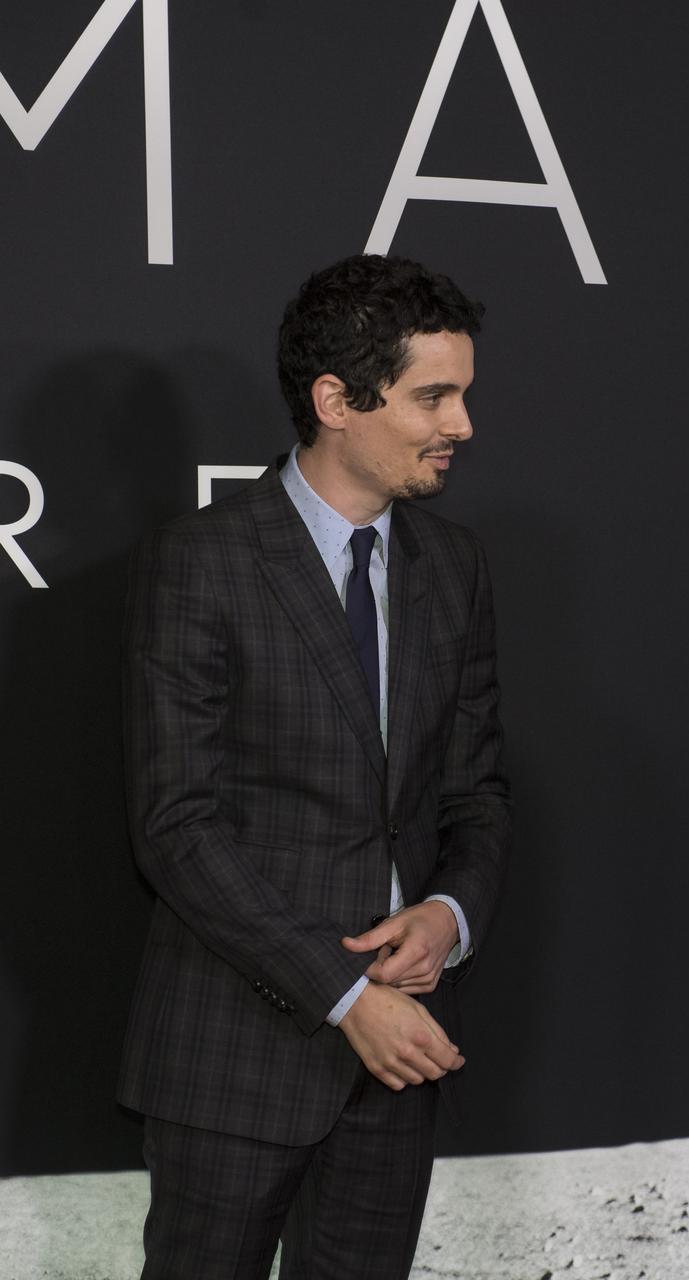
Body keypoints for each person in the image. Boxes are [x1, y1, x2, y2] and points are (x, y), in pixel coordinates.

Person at [118, 254, 510, 1280]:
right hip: (235, 1059)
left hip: (401, 1063)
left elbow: (475, 792)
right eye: (435, 395)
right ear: (337, 399)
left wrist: (448, 914)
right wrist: (345, 993)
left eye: (461, 393)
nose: (461, 423)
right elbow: (176, 824)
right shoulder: (203, 561)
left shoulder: (454, 565)